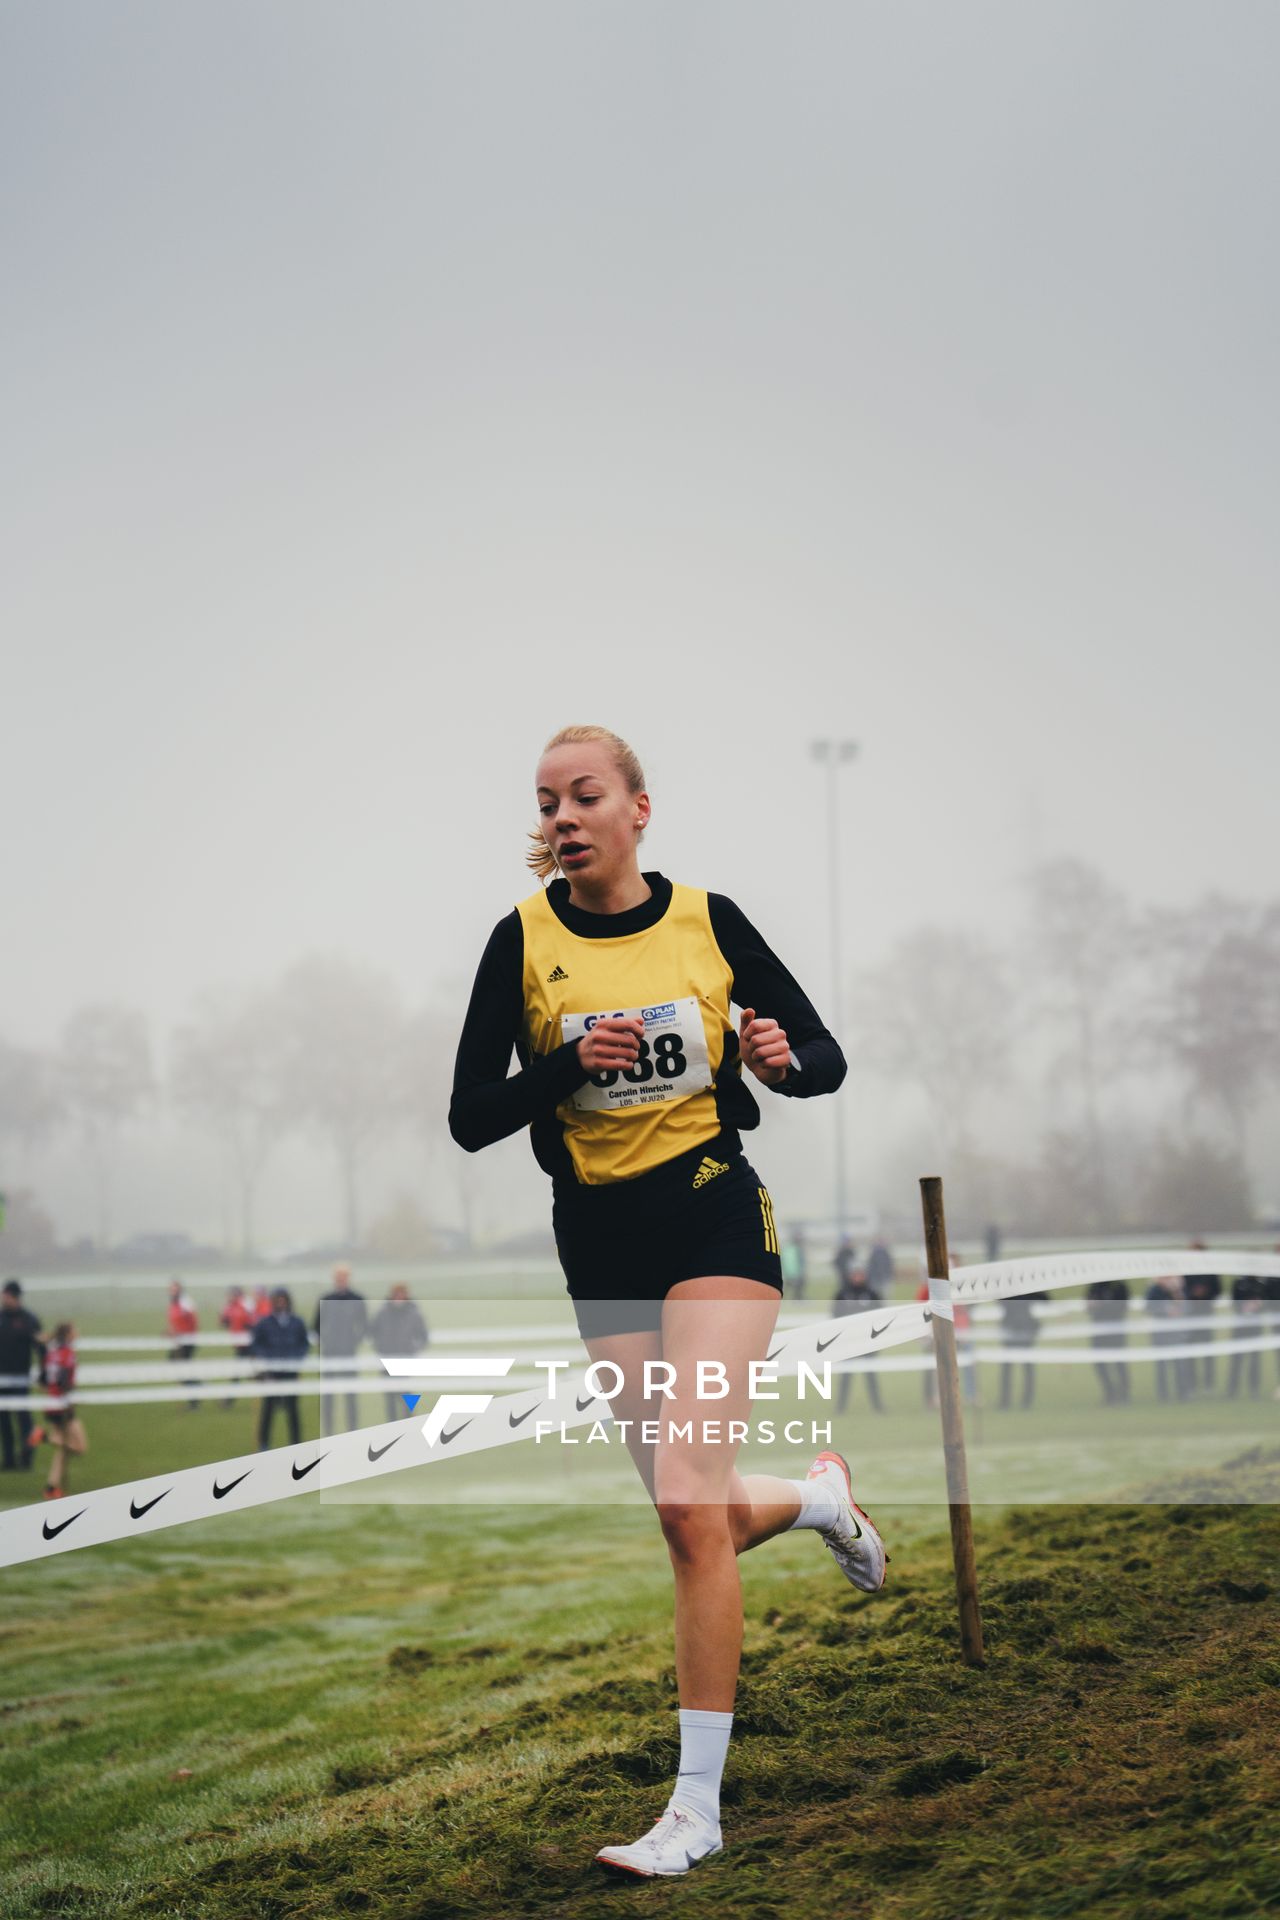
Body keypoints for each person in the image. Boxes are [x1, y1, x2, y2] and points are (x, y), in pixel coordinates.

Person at [449, 724, 883, 1879]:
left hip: (710, 1217)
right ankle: (820, 1500)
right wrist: (565, 1066)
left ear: (639, 809)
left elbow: (823, 1058)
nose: (562, 816)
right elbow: (468, 1116)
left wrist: (781, 1061)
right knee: (692, 1516)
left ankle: (693, 1810)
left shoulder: (709, 919)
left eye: (585, 795)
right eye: (547, 802)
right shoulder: (522, 940)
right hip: (598, 1241)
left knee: (690, 1504)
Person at [27, 1322, 87, 1497]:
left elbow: (42, 1380)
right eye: (75, 1330)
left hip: (51, 1405)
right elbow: (64, 1381)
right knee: (79, 1447)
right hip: (63, 1406)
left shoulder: (52, 1353)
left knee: (62, 1449)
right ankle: (43, 1436)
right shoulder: (68, 1354)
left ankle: (51, 1488)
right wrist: (70, 1397)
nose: (77, 1333)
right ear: (68, 1334)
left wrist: (52, 1393)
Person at [250, 1288, 310, 1449]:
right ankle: (264, 1443)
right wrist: (266, 1360)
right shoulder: (265, 1323)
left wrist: (296, 1360)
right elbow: (256, 1345)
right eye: (278, 1299)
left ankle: (296, 1443)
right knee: (268, 1409)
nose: (281, 1303)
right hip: (272, 1373)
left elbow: (304, 1344)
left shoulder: (297, 1322)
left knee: (292, 1409)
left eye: (283, 1299)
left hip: (290, 1373)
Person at [314, 1265, 368, 1436]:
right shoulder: (326, 1299)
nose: (341, 1280)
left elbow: (364, 1325)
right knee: (328, 1395)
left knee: (350, 1393)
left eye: (344, 1277)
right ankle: (328, 1429)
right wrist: (325, 1340)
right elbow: (316, 1324)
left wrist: (354, 1341)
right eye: (338, 1277)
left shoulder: (357, 1299)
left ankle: (352, 1428)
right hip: (330, 1352)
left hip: (349, 1351)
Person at [0, 1279, 44, 1471]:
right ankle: (8, 1460)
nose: (3, 1298)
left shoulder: (29, 1319)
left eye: (6, 1295)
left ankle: (26, 1459)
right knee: (4, 1421)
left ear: (15, 1297)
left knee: (24, 1420)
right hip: (1, 1379)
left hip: (21, 1380)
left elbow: (41, 1348)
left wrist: (44, 1372)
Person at [370, 1284, 430, 1421]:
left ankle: (409, 1423)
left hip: (405, 1362)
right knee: (390, 1397)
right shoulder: (382, 1313)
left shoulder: (414, 1313)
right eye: (396, 1295)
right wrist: (381, 1348)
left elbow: (423, 1336)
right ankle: (391, 1427)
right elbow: (373, 1333)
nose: (399, 1298)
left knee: (407, 1397)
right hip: (387, 1361)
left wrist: (413, 1350)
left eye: (402, 1295)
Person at [832, 1262, 883, 1414]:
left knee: (871, 1375)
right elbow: (835, 1315)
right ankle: (840, 1408)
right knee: (846, 1377)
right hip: (848, 1342)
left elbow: (880, 1316)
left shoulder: (872, 1293)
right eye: (855, 1274)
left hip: (868, 1342)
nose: (857, 1277)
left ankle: (877, 1406)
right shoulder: (842, 1294)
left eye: (860, 1274)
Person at [1184, 1244, 1221, 1395]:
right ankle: (1192, 1384)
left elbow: (1217, 1290)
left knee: (1207, 1351)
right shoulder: (1186, 1270)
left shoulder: (1210, 1271)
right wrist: (1193, 1295)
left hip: (1206, 1314)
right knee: (1191, 1352)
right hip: (1191, 1315)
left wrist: (1205, 1295)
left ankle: (1208, 1384)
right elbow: (1183, 1290)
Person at [1086, 1279, 1131, 1405]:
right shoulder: (1095, 1286)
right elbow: (1088, 1307)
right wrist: (1092, 1306)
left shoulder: (1119, 1286)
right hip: (1099, 1331)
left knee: (1119, 1363)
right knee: (1099, 1363)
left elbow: (1123, 1307)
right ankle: (1109, 1392)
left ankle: (1124, 1393)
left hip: (1116, 1331)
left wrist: (1104, 1305)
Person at [997, 1289, 1043, 1410]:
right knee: (1011, 1367)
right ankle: (1008, 1401)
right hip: (1014, 1327)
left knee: (1023, 1367)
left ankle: (1022, 1401)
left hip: (1023, 1327)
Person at [1145, 1275, 1188, 1403]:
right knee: (1162, 1365)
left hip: (1175, 1333)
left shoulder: (1176, 1290)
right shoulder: (1154, 1291)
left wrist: (1176, 1291)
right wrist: (1165, 1311)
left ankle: (1182, 1393)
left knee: (1179, 1364)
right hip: (1160, 1333)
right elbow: (1149, 1307)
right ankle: (1163, 1394)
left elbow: (1184, 1306)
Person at [1225, 1272, 1265, 1400]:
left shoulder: (1260, 1285)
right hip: (1240, 1327)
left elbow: (1268, 1303)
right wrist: (1244, 1307)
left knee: (1254, 1360)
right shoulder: (1238, 1283)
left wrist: (1258, 1305)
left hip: (1255, 1327)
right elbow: (1233, 1301)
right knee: (1236, 1360)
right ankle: (1232, 1390)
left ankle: (1254, 1390)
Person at [219, 1284, 256, 1410]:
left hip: (249, 1345)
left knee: (243, 1373)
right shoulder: (230, 1307)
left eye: (231, 1294)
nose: (229, 1297)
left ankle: (228, 1400)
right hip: (239, 1345)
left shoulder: (246, 1304)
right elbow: (224, 1322)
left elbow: (253, 1322)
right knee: (247, 1373)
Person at [166, 1277, 201, 1411]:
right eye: (171, 1289)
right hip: (178, 1341)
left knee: (182, 1368)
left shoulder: (186, 1302)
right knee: (178, 1366)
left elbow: (193, 1322)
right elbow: (174, 1322)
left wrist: (182, 1334)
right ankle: (197, 1387)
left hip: (187, 1341)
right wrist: (170, 1332)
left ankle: (194, 1398)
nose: (172, 1291)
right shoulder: (173, 1303)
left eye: (175, 1288)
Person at [780, 1225, 808, 1302]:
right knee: (796, 1285)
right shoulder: (793, 1249)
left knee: (795, 1286)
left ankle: (797, 1298)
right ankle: (797, 1299)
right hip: (793, 1273)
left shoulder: (792, 1248)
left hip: (793, 1272)